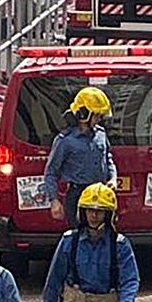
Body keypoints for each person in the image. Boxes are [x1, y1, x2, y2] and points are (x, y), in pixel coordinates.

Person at [42, 183, 140, 302]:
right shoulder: (70, 240)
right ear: (82, 212)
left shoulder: (119, 244)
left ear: (108, 214)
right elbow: (54, 279)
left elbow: (130, 280)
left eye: (99, 211)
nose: (94, 216)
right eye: (89, 210)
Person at [44, 86, 118, 226]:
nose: (98, 119)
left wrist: (113, 178)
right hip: (77, 195)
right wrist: (54, 200)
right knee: (79, 237)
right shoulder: (65, 141)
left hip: (101, 194)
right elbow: (51, 172)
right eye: (96, 115)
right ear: (84, 114)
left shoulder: (101, 135)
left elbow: (108, 159)